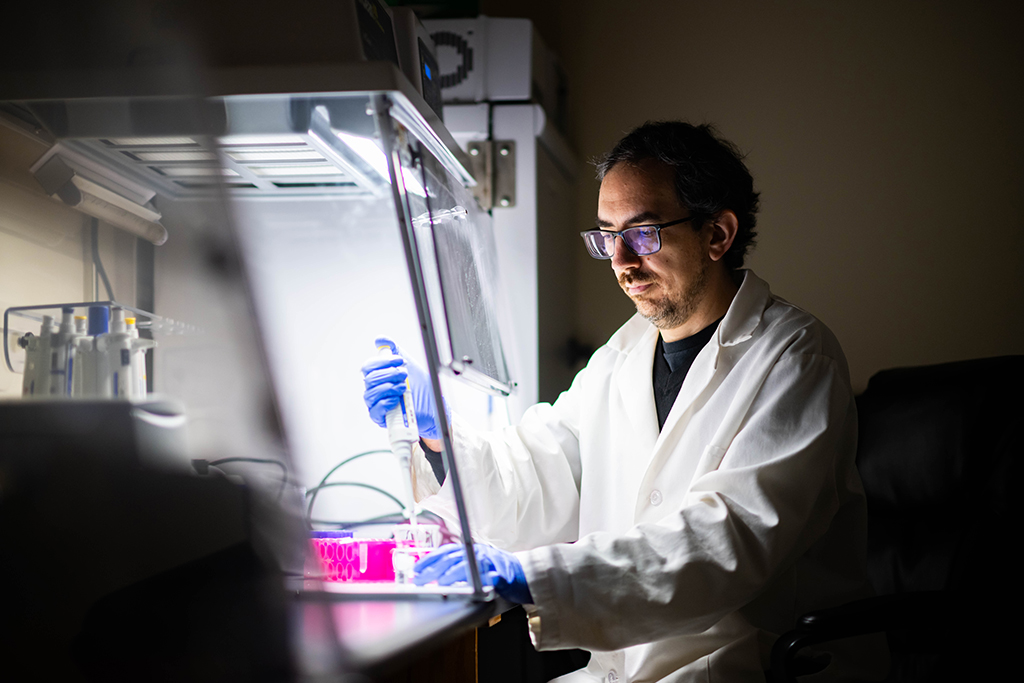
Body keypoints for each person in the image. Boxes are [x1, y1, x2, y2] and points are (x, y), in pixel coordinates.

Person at [362, 122, 884, 682]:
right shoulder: (625, 353)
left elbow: (723, 544)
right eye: (608, 235)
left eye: (644, 234)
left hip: (747, 669)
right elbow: (541, 475)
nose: (621, 261)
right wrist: (439, 433)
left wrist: (531, 576)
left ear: (718, 234)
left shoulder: (796, 358)